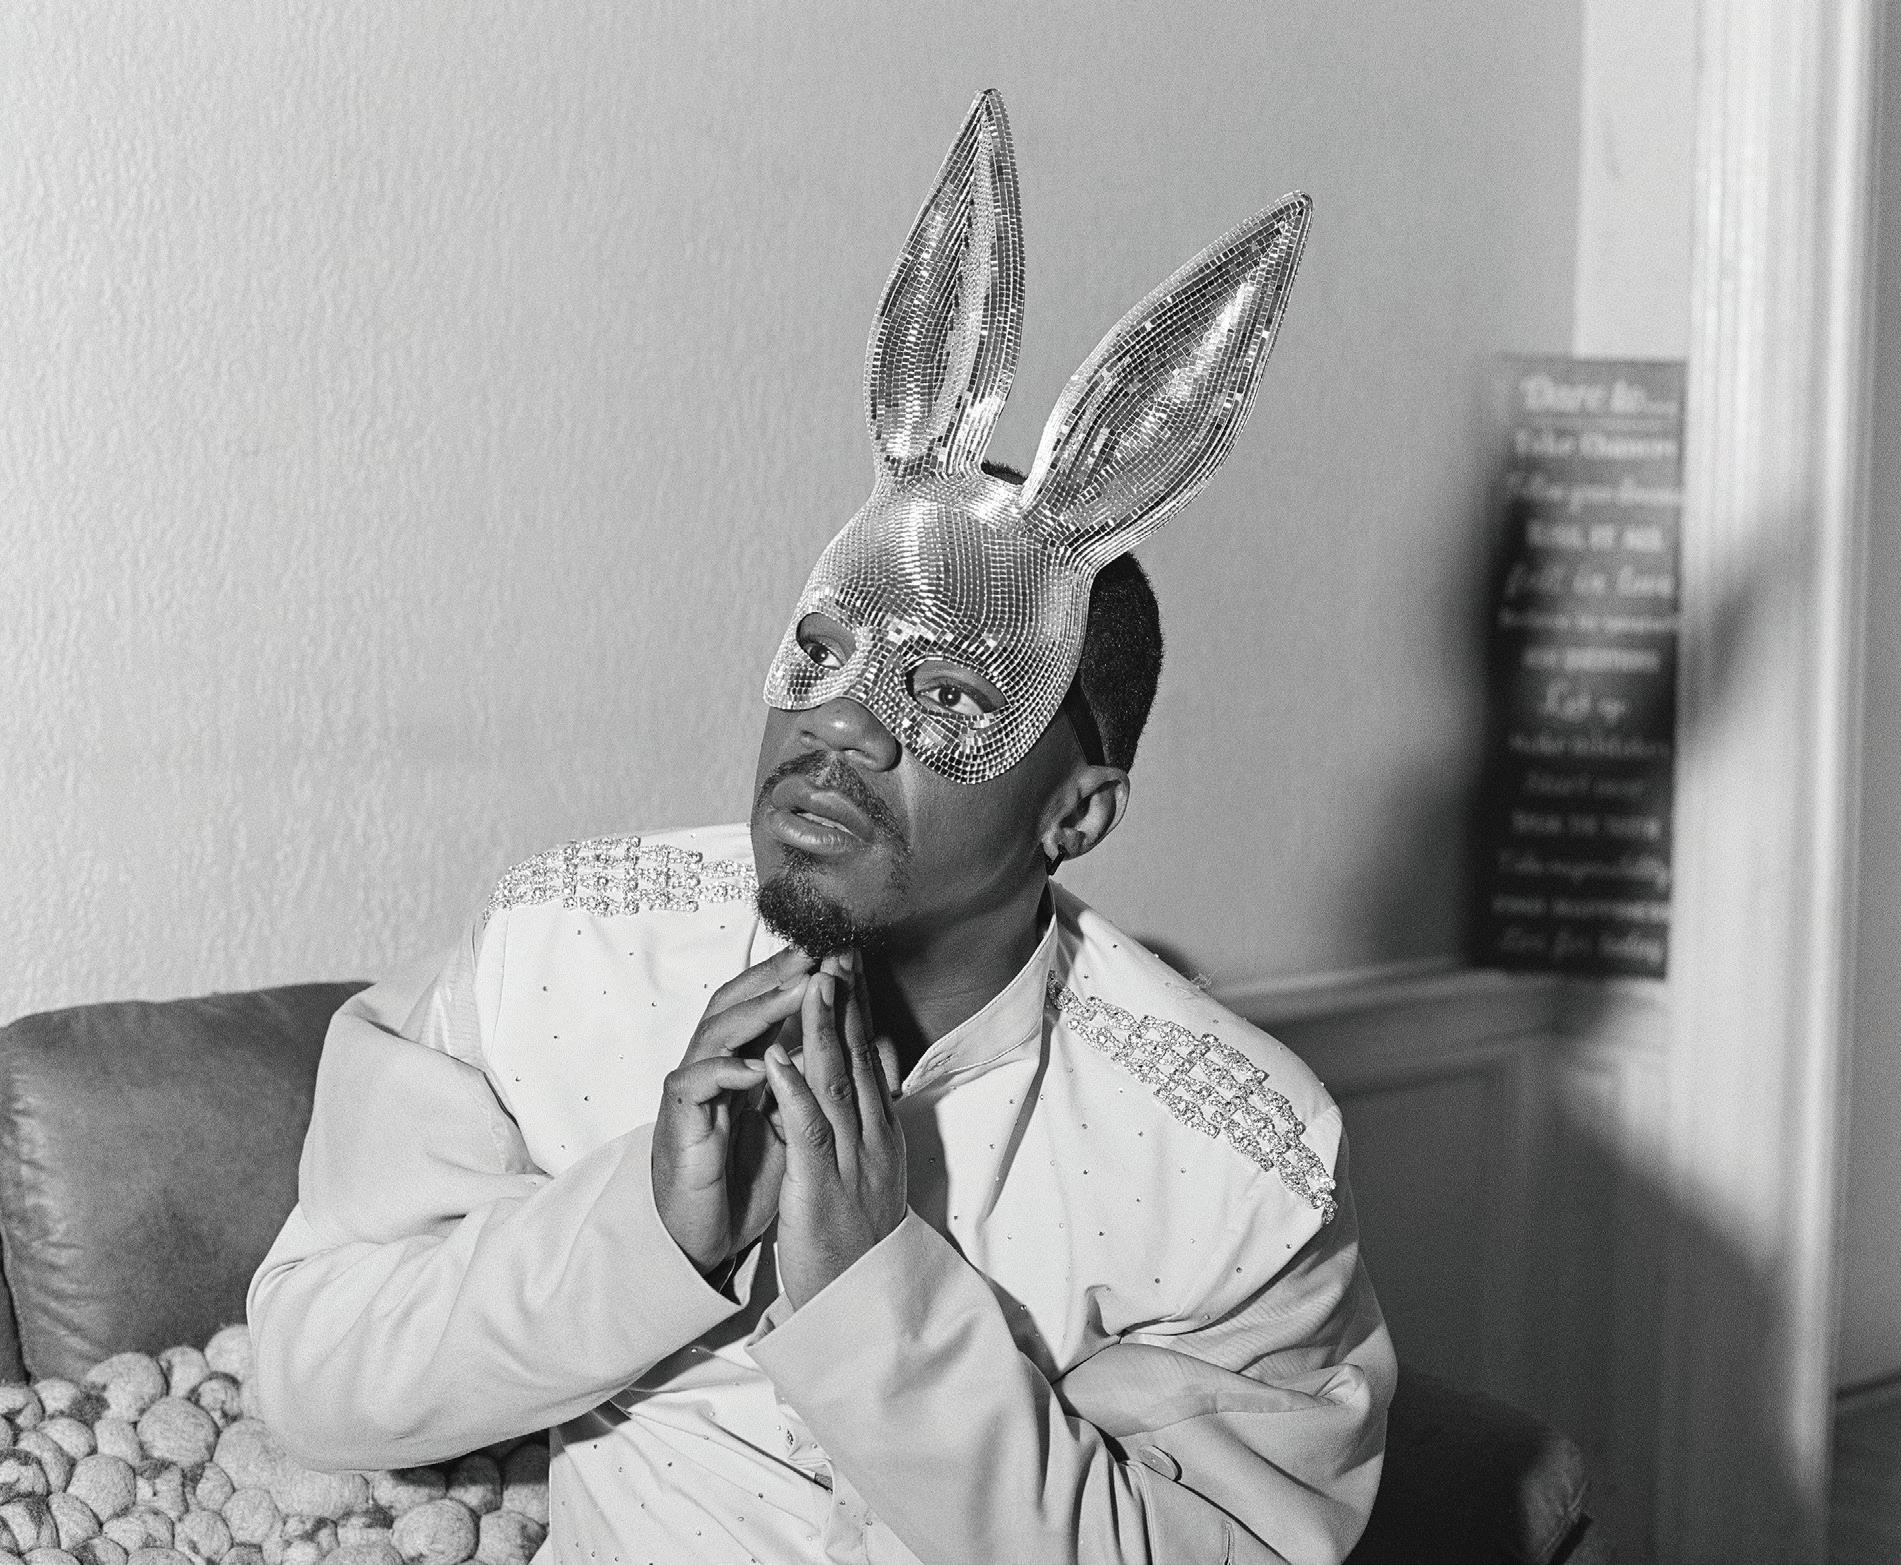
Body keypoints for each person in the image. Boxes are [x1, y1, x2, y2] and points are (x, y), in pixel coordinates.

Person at [249, 90, 1394, 1565]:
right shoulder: (564, 952)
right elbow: (313, 1373)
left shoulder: (1229, 1157)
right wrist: (651, 1230)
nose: (843, 723)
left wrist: (874, 1303)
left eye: (947, 691)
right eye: (825, 649)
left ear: (1078, 811)